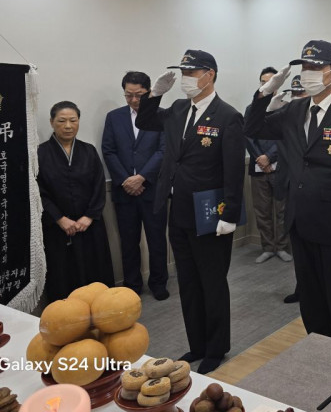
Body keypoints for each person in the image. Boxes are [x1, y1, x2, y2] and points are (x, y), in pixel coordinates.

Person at [245, 40, 331, 344]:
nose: (309, 73)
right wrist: (263, 95)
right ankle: (317, 354)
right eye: (305, 67)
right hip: (300, 222)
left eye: (316, 67)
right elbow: (252, 128)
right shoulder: (295, 109)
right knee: (311, 301)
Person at [136, 50, 245, 374]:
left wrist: (229, 214)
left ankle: (216, 347)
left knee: (212, 282)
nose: (186, 78)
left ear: (209, 75)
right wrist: (154, 95)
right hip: (179, 209)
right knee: (188, 282)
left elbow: (233, 171)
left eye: (191, 72)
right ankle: (197, 343)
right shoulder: (179, 109)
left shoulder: (228, 116)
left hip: (210, 213)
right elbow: (144, 121)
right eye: (183, 72)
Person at [37, 101, 114, 302]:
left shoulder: (89, 151)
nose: (68, 126)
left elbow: (99, 187)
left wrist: (89, 217)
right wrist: (59, 218)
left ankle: (101, 312)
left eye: (73, 120)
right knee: (63, 276)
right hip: (58, 228)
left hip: (90, 226)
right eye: (61, 121)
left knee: (96, 273)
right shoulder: (40, 154)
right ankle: (67, 316)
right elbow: (39, 193)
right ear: (52, 122)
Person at [101, 71, 168, 300]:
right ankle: (132, 284)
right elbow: (108, 150)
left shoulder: (161, 115)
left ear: (148, 92)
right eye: (128, 95)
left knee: (157, 239)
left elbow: (163, 150)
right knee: (128, 241)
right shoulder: (114, 117)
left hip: (153, 189)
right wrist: (126, 180)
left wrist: (142, 177)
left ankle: (158, 282)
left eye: (138, 95)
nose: (133, 100)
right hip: (124, 191)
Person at [246, 66, 291, 264]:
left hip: (280, 167)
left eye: (271, 81)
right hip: (258, 168)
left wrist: (269, 157)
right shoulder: (252, 108)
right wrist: (260, 157)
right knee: (262, 211)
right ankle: (267, 247)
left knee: (282, 211)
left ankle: (282, 247)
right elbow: (247, 135)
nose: (267, 85)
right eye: (263, 82)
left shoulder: (286, 107)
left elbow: (286, 138)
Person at [277, 75, 308, 304]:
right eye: (294, 94)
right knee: (298, 243)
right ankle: (301, 287)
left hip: (315, 191)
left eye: (301, 93)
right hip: (289, 185)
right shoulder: (287, 117)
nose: (297, 98)